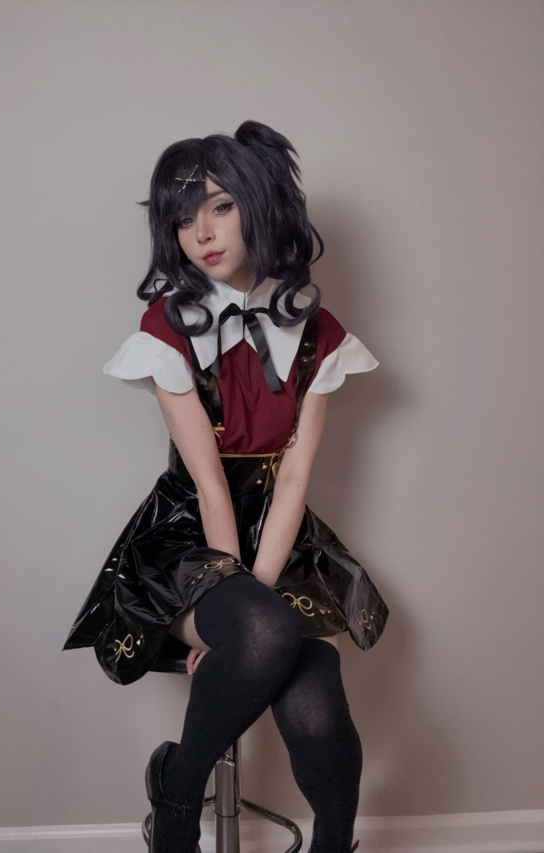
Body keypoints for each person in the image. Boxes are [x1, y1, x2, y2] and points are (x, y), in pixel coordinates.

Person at [63, 120, 388, 853]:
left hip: (278, 530)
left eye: (220, 206)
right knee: (271, 630)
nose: (202, 233)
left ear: (260, 204)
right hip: (187, 540)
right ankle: (180, 803)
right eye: (183, 218)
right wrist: (239, 609)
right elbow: (211, 487)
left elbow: (294, 476)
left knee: (312, 676)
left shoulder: (316, 332)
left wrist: (254, 607)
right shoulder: (167, 329)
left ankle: (328, 841)